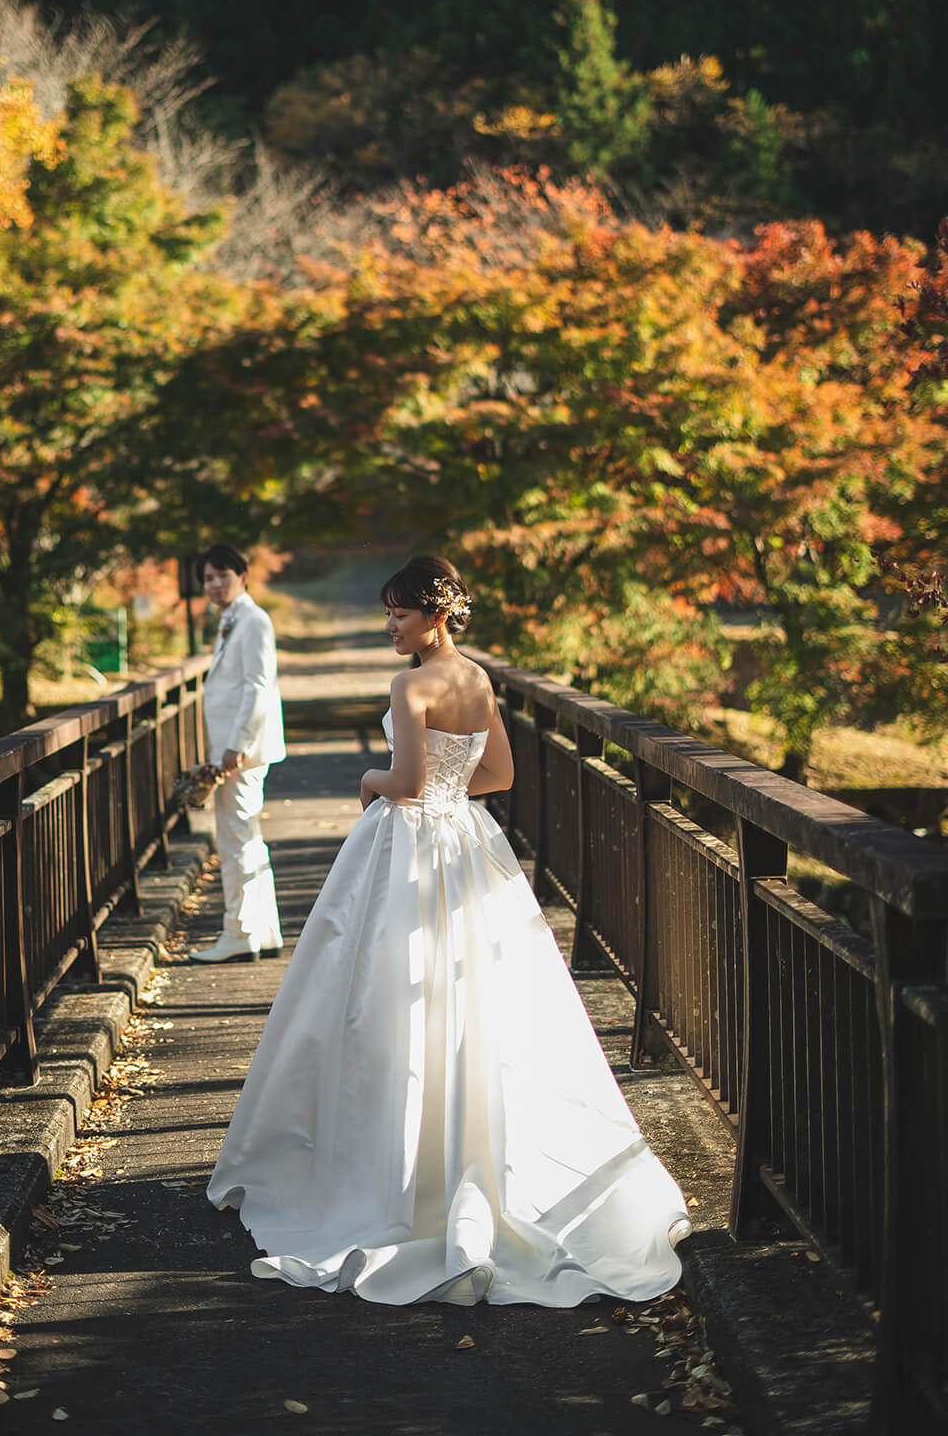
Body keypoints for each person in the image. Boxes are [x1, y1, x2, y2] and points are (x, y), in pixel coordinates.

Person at [206, 554, 691, 1304]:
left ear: (435, 614)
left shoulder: (410, 685)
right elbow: (496, 775)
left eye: (399, 612)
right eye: (388, 611)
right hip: (466, 840)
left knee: (386, 995)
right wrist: (444, 787)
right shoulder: (476, 680)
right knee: (470, 997)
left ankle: (394, 1165)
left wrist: (372, 782)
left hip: (407, 845)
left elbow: (400, 785)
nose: (390, 625)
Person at [190, 543, 286, 964]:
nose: (214, 584)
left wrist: (236, 745)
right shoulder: (233, 620)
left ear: (243, 576)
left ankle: (239, 931)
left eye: (222, 575)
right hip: (235, 748)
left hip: (240, 751)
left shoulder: (253, 620)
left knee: (234, 839)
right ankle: (263, 930)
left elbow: (257, 686)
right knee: (245, 836)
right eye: (208, 578)